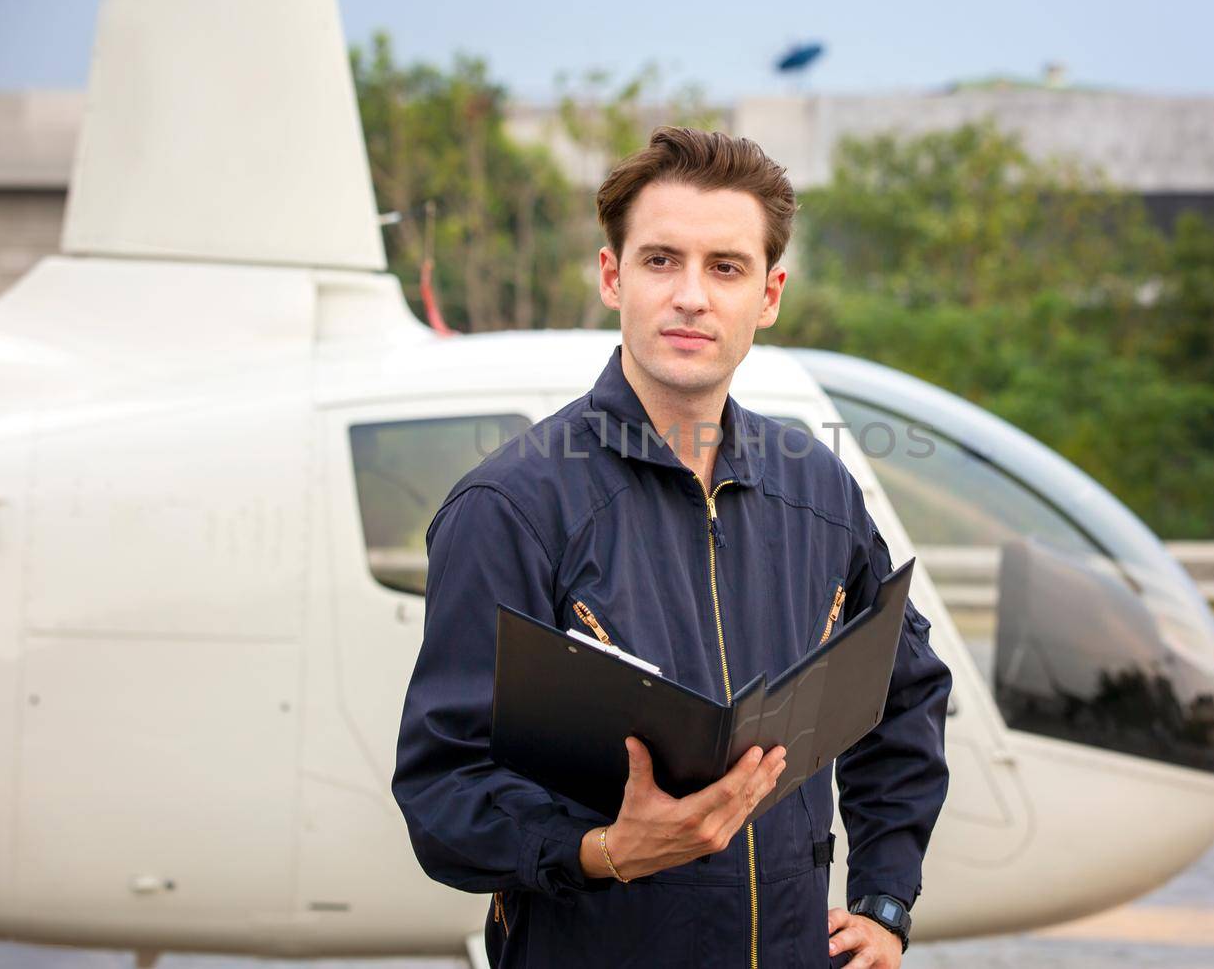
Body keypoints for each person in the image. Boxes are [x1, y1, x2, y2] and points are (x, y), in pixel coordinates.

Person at [393, 126, 951, 968]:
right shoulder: (510, 506)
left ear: (768, 293)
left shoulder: (819, 491)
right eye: (661, 261)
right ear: (614, 277)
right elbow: (443, 790)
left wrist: (885, 898)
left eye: (725, 267)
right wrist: (603, 849)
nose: (692, 295)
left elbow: (903, 691)